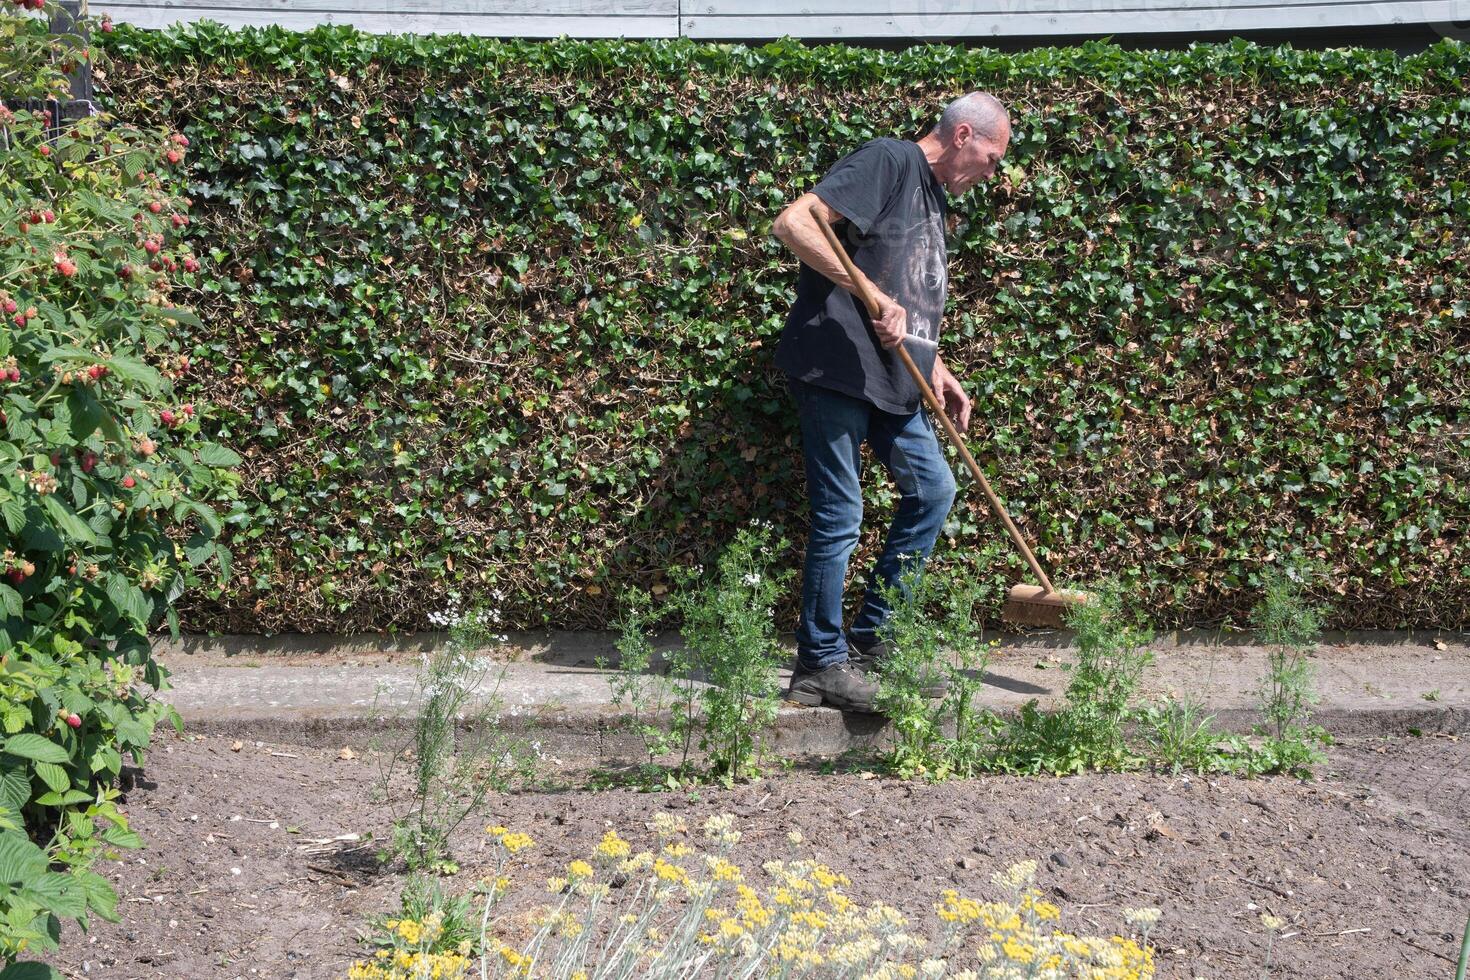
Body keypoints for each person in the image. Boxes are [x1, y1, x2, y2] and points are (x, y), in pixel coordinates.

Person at [769, 92, 1012, 712]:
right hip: (838, 368)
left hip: (896, 378)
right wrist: (871, 295)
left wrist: (938, 365)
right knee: (840, 514)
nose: (992, 171)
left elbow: (905, 294)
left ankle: (877, 639)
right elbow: (794, 222)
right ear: (963, 135)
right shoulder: (890, 161)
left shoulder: (933, 199)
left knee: (934, 491)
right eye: (991, 155)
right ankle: (818, 664)